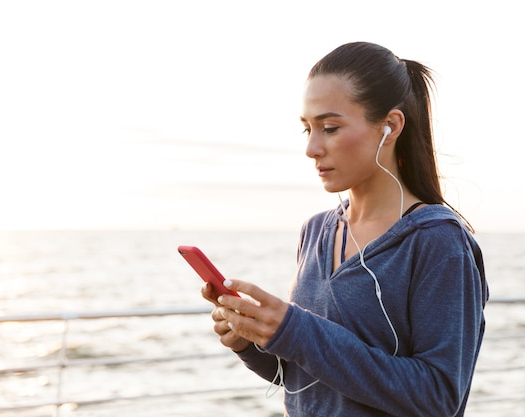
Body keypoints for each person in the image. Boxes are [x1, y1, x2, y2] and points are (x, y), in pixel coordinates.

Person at [201, 41, 488, 417]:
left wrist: (295, 330)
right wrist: (251, 342)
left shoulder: (438, 242)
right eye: (308, 130)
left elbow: (438, 398)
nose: (313, 148)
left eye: (330, 128)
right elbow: (309, 378)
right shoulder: (316, 232)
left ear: (391, 126)